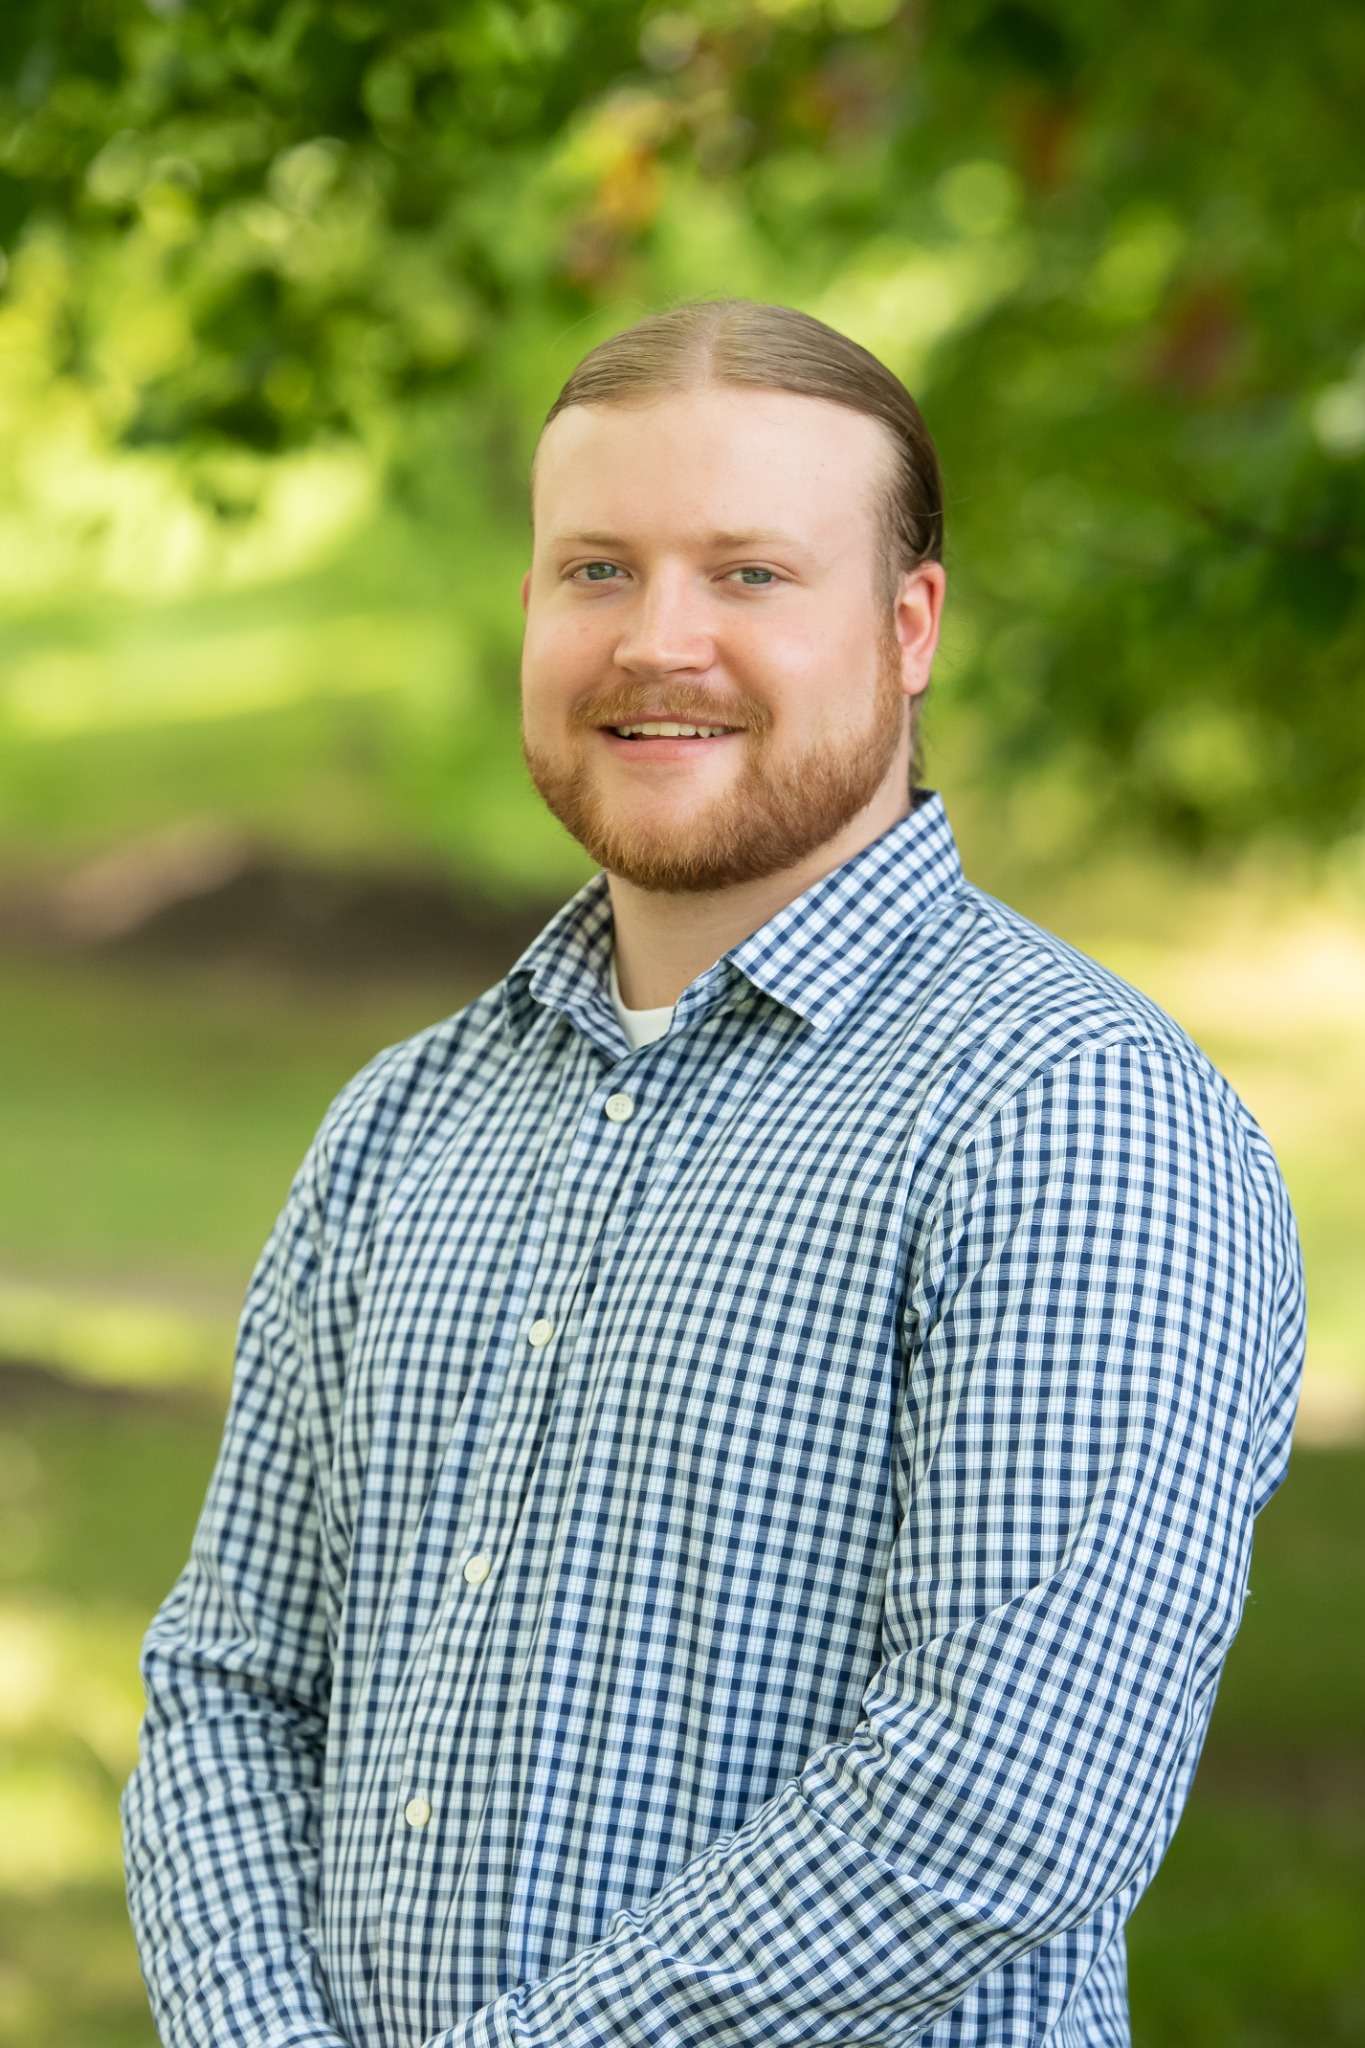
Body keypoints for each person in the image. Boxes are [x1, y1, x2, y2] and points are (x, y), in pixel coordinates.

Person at [120, 297, 1307, 2048]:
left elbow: (998, 1803)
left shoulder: (1072, 1115)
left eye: (749, 575)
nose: (657, 641)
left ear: (908, 629)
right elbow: (231, 1681)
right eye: (597, 569)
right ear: (528, 606)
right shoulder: (400, 1121)